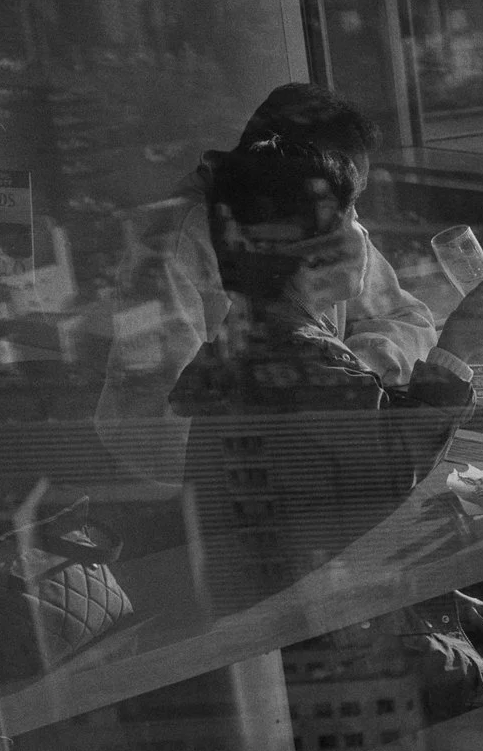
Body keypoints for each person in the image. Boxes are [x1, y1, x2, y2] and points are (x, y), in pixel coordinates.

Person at [173, 136, 483, 708]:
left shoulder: (251, 337)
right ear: (313, 253)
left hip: (310, 609)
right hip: (323, 652)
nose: (363, 234)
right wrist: (456, 345)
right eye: (353, 216)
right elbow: (394, 457)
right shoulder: (293, 357)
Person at [98, 83, 438, 478]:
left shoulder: (324, 220)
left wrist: (346, 375)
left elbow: (411, 320)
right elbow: (161, 427)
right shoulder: (171, 246)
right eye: (343, 198)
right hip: (180, 493)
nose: (353, 218)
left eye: (354, 198)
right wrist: (323, 385)